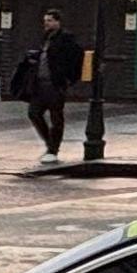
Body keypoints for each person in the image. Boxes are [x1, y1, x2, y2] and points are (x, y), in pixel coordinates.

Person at [23, 10, 81, 162]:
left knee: (56, 117)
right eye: (45, 20)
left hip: (55, 84)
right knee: (34, 113)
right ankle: (50, 143)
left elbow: (76, 58)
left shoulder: (66, 38)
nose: (46, 23)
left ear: (57, 22)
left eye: (49, 20)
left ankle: (53, 149)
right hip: (40, 84)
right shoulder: (45, 38)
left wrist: (69, 78)